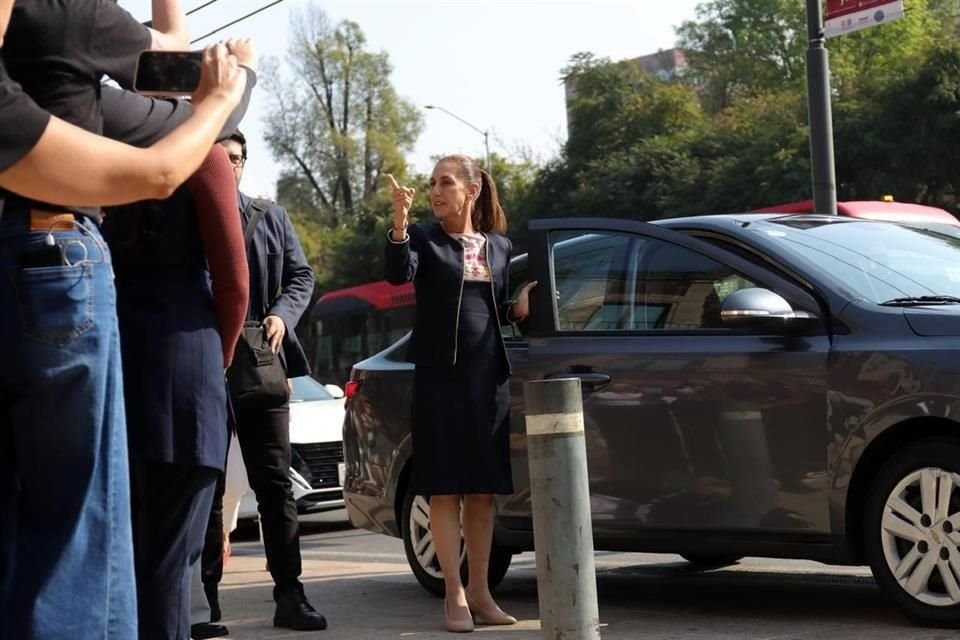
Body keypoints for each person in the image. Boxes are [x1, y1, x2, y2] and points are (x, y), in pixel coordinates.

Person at [0, 1, 247, 636]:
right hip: (54, 258)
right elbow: (164, 160)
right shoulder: (64, 14)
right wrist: (223, 94)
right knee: (80, 533)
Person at [384, 155, 536, 633]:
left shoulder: (500, 247)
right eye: (431, 183)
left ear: (471, 191)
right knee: (444, 488)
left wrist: (518, 309)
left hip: (487, 378)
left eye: (445, 183)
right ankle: (453, 594)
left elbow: (493, 309)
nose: (435, 190)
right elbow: (397, 273)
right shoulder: (426, 240)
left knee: (482, 491)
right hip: (439, 380)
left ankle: (481, 592)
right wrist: (400, 223)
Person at [203, 129, 325, 631]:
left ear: (243, 164)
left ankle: (290, 594)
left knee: (275, 484)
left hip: (261, 354)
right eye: (218, 158)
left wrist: (282, 315)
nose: (228, 166)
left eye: (235, 158)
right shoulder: (189, 217)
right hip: (204, 357)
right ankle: (204, 603)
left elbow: (302, 276)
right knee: (206, 487)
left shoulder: (268, 215)